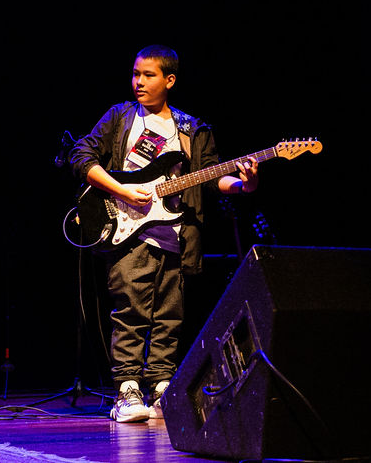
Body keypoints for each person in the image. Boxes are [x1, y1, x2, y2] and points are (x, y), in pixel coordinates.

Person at [70, 44, 259, 423]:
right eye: (135, 74)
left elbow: (210, 177)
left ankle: (160, 387)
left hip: (176, 236)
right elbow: (81, 156)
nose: (138, 82)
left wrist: (245, 185)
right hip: (128, 229)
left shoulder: (191, 129)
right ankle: (126, 390)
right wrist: (122, 191)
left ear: (169, 80)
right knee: (131, 310)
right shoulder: (120, 117)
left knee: (169, 316)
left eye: (148, 75)